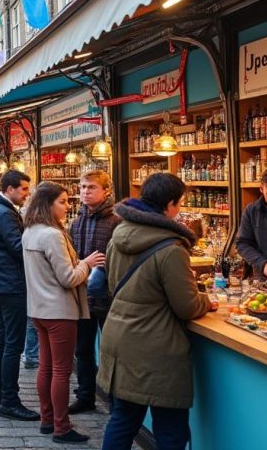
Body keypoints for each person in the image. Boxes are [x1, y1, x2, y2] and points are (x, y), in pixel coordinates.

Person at [99, 173, 214, 450]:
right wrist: (206, 300)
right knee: (171, 430)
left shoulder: (119, 235)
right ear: (171, 204)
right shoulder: (171, 249)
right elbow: (186, 306)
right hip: (156, 348)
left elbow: (113, 284)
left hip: (119, 339)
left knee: (123, 419)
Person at [23, 182, 106, 443]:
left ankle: (48, 420)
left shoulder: (30, 231)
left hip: (38, 308)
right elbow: (68, 278)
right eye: (63, 201)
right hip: (59, 310)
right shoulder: (52, 234)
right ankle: (61, 426)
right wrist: (86, 263)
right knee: (60, 370)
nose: (68, 206)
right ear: (48, 204)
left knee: (46, 367)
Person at [0, 169, 37, 421]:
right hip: (9, 282)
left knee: (4, 337)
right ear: (10, 189)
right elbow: (18, 247)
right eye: (24, 189)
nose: (27, 194)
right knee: (13, 342)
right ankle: (10, 400)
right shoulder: (4, 213)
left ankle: (1, 391)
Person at [68, 170, 121, 415]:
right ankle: (86, 395)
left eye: (91, 187)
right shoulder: (76, 222)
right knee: (83, 349)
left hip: (109, 297)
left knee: (110, 351)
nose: (85, 192)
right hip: (82, 297)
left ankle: (114, 399)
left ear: (106, 191)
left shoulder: (116, 221)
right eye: (82, 187)